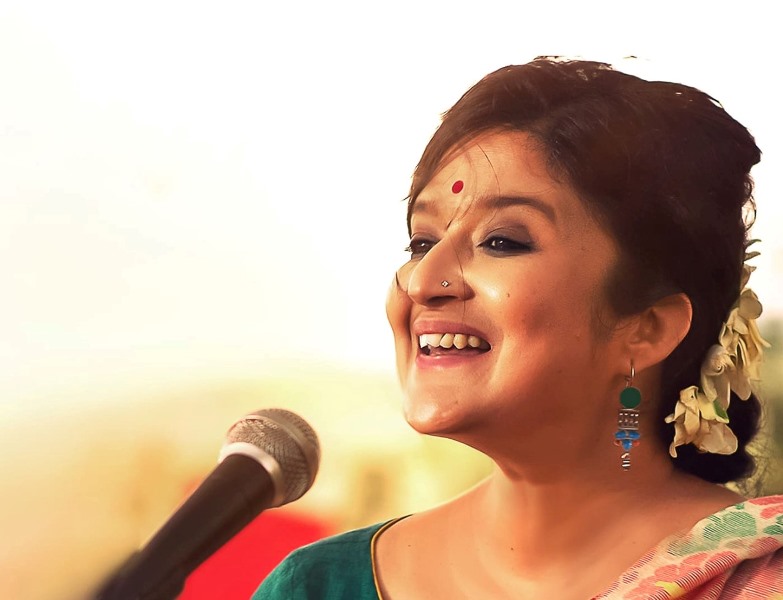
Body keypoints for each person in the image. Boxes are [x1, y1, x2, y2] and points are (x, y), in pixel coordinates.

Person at [252, 57, 783, 598]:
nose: (423, 280)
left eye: (502, 242)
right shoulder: (317, 586)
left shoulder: (757, 582)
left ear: (646, 328)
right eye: (421, 242)